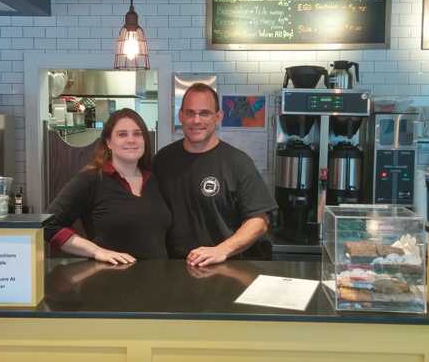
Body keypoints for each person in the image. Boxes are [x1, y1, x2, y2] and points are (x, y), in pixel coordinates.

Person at [153, 83, 278, 267]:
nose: (196, 120)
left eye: (204, 113)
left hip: (223, 267)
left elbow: (259, 221)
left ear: (218, 117)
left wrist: (222, 250)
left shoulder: (238, 162)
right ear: (181, 116)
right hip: (173, 269)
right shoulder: (162, 160)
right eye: (190, 113)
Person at [44, 108, 171, 265]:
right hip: (110, 283)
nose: (131, 140)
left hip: (157, 282)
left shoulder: (154, 179)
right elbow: (48, 225)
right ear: (108, 142)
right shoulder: (91, 179)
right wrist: (96, 251)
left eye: (137, 134)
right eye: (122, 134)